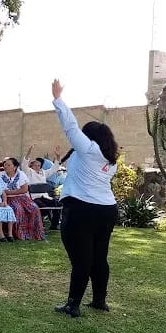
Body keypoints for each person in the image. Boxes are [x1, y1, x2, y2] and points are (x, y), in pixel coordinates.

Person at [51, 79, 119, 317]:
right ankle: (99, 300)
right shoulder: (110, 162)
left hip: (81, 210)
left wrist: (58, 99)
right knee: (99, 257)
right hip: (106, 210)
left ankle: (73, 304)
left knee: (81, 259)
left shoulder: (89, 149)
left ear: (89, 138)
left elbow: (70, 127)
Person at [0, 157, 45, 241]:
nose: (5, 166)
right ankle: (17, 234)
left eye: (8, 165)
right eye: (5, 165)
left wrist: (9, 192)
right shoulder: (0, 175)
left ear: (15, 167)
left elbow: (24, 189)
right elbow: (1, 190)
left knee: (34, 208)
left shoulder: (21, 174)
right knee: (17, 209)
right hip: (7, 199)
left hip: (22, 198)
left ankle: (32, 233)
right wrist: (12, 192)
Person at [23, 144, 63, 230]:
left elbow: (54, 169)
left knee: (56, 204)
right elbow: (24, 164)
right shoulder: (29, 172)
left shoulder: (43, 172)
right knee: (43, 208)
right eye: (35, 165)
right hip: (33, 197)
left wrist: (58, 156)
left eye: (39, 165)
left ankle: (54, 224)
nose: (37, 167)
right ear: (31, 166)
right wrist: (28, 153)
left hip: (44, 196)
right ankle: (38, 225)